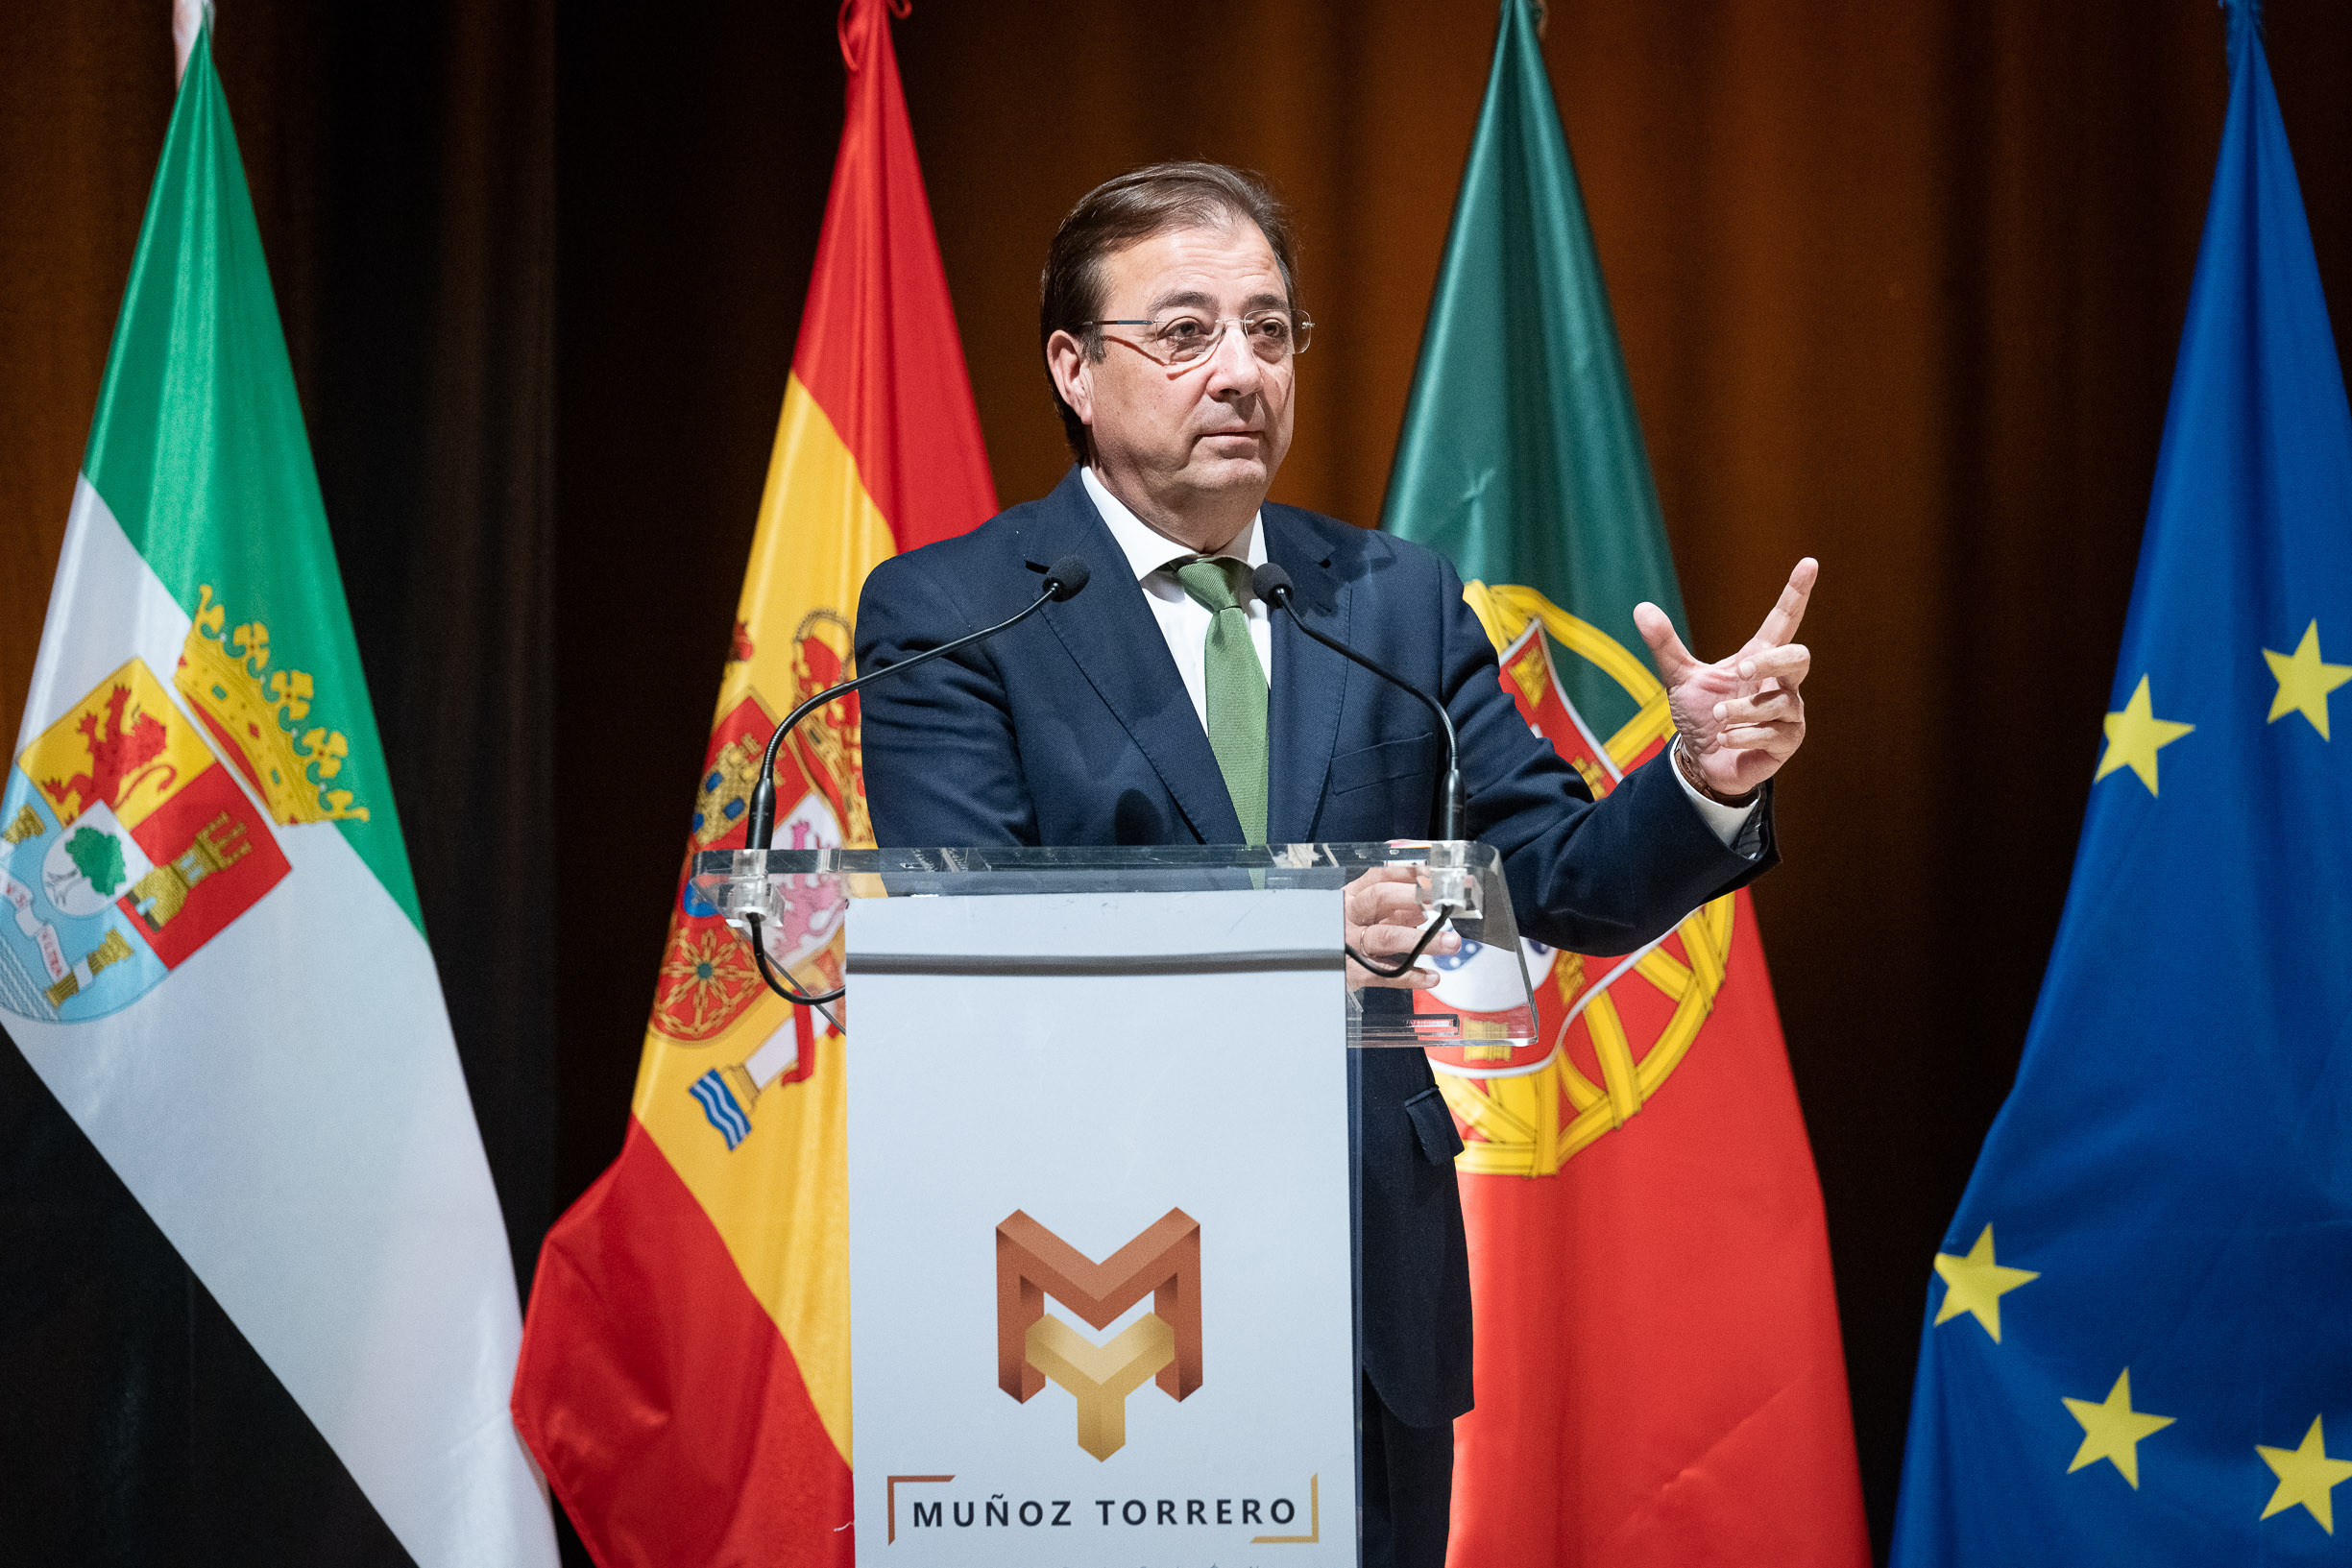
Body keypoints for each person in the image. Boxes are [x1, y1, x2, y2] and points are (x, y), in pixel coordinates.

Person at [854, 161, 1813, 1568]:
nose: (1240, 370)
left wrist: (1699, 780)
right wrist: (1300, 935)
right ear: (1072, 365)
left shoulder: (1389, 596)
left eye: (1269, 328)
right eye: (1183, 333)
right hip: (1078, 1292)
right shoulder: (952, 613)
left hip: (1365, 1286)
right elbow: (972, 922)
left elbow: (1552, 873)